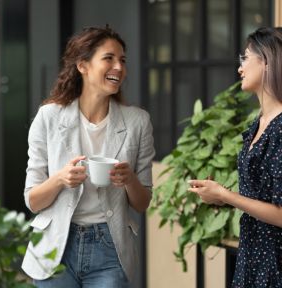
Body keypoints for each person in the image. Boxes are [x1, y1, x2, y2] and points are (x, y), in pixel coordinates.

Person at [21, 25, 155, 288]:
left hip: (110, 248)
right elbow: (33, 200)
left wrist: (129, 179)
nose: (119, 67)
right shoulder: (49, 117)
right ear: (82, 65)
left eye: (122, 60)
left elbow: (142, 202)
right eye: (109, 58)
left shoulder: (138, 122)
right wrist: (60, 179)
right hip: (55, 247)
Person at [188, 27, 282, 287]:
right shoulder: (259, 123)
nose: (240, 68)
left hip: (275, 263)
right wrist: (220, 198)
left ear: (267, 62)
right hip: (252, 258)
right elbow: (259, 198)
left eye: (246, 59)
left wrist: (225, 195)